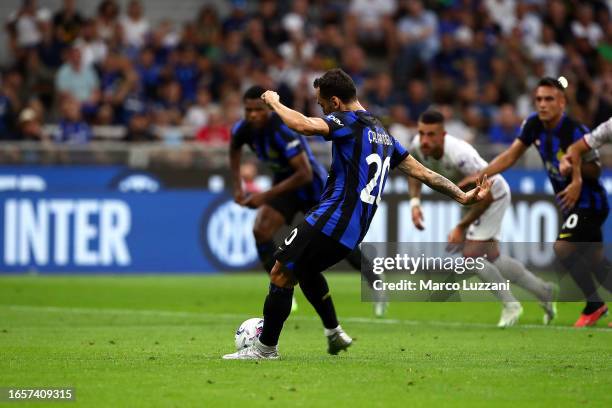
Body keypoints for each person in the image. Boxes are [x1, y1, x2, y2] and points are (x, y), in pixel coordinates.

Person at [223, 69, 490, 360]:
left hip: (333, 216)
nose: (321, 109)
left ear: (336, 102)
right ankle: (332, 331)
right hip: (354, 230)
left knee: (280, 270)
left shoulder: (346, 122)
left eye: (322, 103)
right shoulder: (383, 134)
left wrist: (274, 102)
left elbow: (303, 126)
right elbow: (425, 173)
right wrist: (462, 196)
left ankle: (264, 349)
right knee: (300, 270)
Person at [459, 77, 611, 328]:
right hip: (569, 205)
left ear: (561, 103)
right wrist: (481, 175)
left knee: (563, 248)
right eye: (539, 99)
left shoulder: (574, 130)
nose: (542, 104)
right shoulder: (533, 125)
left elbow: (596, 168)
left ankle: (594, 304)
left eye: (549, 99)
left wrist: (574, 169)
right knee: (595, 260)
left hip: (590, 202)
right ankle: (594, 306)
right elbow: (510, 155)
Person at [230, 86, 388, 317]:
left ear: (268, 110)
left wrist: (263, 196)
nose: (253, 115)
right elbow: (234, 150)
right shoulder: (243, 129)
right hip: (285, 188)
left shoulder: (281, 130)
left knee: (342, 242)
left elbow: (303, 173)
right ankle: (281, 288)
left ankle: (376, 283)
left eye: (258, 110)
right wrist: (237, 187)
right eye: (248, 110)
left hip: (312, 187)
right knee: (261, 231)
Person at [409, 110, 556, 327]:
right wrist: (415, 203)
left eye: (431, 135)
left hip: (492, 195)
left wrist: (461, 226)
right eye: (422, 134)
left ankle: (510, 304)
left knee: (472, 255)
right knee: (492, 258)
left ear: (443, 135)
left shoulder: (460, 156)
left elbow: (488, 195)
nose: (425, 140)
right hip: (468, 198)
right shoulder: (417, 146)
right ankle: (543, 290)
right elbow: (415, 172)